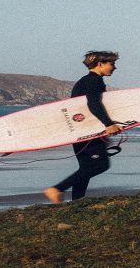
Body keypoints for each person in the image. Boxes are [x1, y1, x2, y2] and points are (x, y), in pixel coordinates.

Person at [44, 51, 125, 203]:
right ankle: (57, 189)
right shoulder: (93, 81)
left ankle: (77, 202)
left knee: (86, 168)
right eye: (112, 64)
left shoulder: (86, 81)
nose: (114, 68)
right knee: (100, 165)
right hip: (87, 132)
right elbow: (93, 103)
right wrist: (108, 124)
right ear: (100, 64)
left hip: (81, 131)